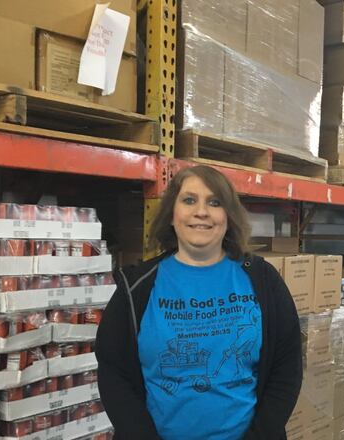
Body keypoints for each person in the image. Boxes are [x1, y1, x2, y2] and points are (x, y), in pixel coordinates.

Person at [95, 165, 302, 439]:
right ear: (172, 213)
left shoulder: (263, 280)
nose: (201, 212)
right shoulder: (137, 287)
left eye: (215, 202)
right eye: (189, 200)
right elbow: (113, 372)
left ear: (228, 216)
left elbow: (287, 367)